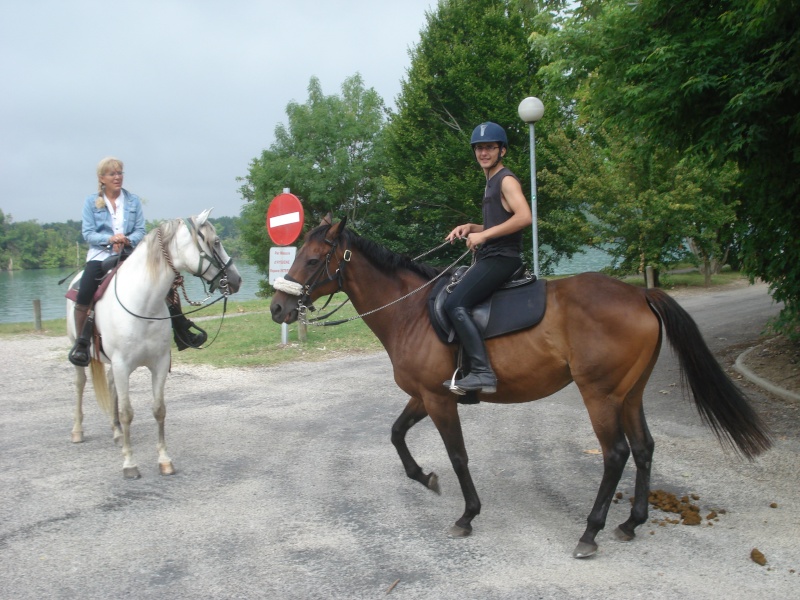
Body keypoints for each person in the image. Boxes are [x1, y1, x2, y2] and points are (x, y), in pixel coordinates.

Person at [68, 157, 207, 366]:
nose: (117, 177)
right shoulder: (90, 202)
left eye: (120, 173)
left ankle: (182, 330)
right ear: (101, 178)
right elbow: (88, 233)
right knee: (85, 292)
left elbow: (140, 230)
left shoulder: (132, 201)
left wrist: (126, 240)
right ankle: (81, 343)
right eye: (112, 174)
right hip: (100, 256)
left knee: (165, 285)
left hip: (129, 254)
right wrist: (109, 239)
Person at [443, 122, 533, 396]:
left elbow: (524, 217)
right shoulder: (490, 182)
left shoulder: (505, 180)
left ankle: (482, 372)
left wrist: (483, 237)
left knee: (455, 303)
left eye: (490, 147)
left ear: (502, 151)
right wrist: (472, 227)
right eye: (479, 148)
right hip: (492, 254)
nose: (484, 153)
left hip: (502, 258)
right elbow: (499, 222)